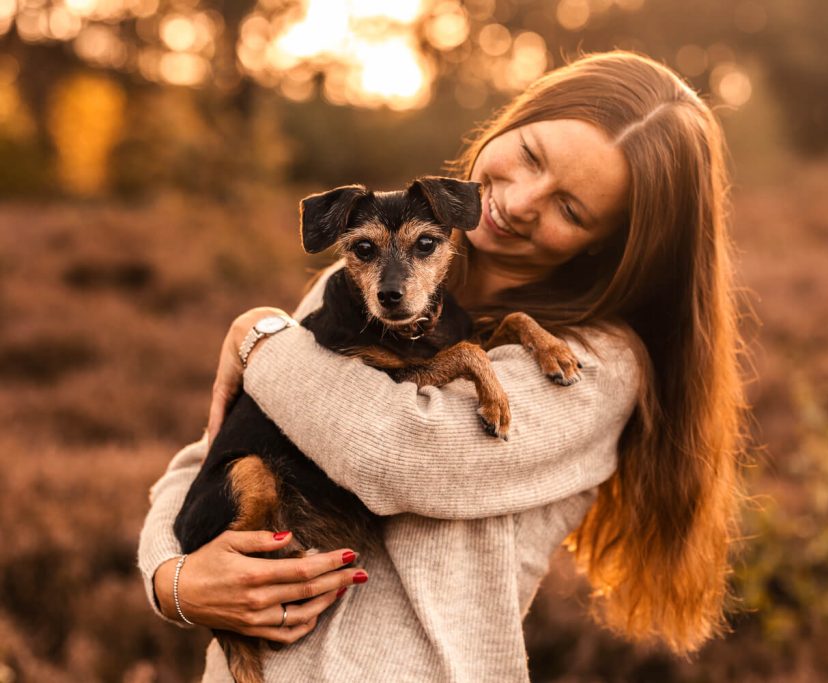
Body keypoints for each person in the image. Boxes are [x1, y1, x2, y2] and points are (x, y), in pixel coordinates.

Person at [138, 49, 747, 681]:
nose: (520, 201)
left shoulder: (597, 367)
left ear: (614, 244)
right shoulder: (363, 285)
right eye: (532, 155)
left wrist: (257, 334)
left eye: (571, 209)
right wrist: (172, 580)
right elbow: (212, 452)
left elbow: (394, 454)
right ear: (511, 121)